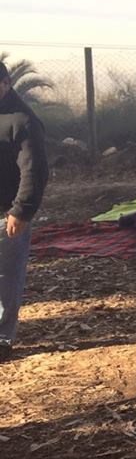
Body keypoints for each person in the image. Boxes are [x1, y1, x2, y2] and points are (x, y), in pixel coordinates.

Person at [0, 62, 48, 362]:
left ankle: (2, 338)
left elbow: (35, 170)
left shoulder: (23, 120)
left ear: (6, 83)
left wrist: (21, 210)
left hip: (7, 212)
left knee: (5, 278)